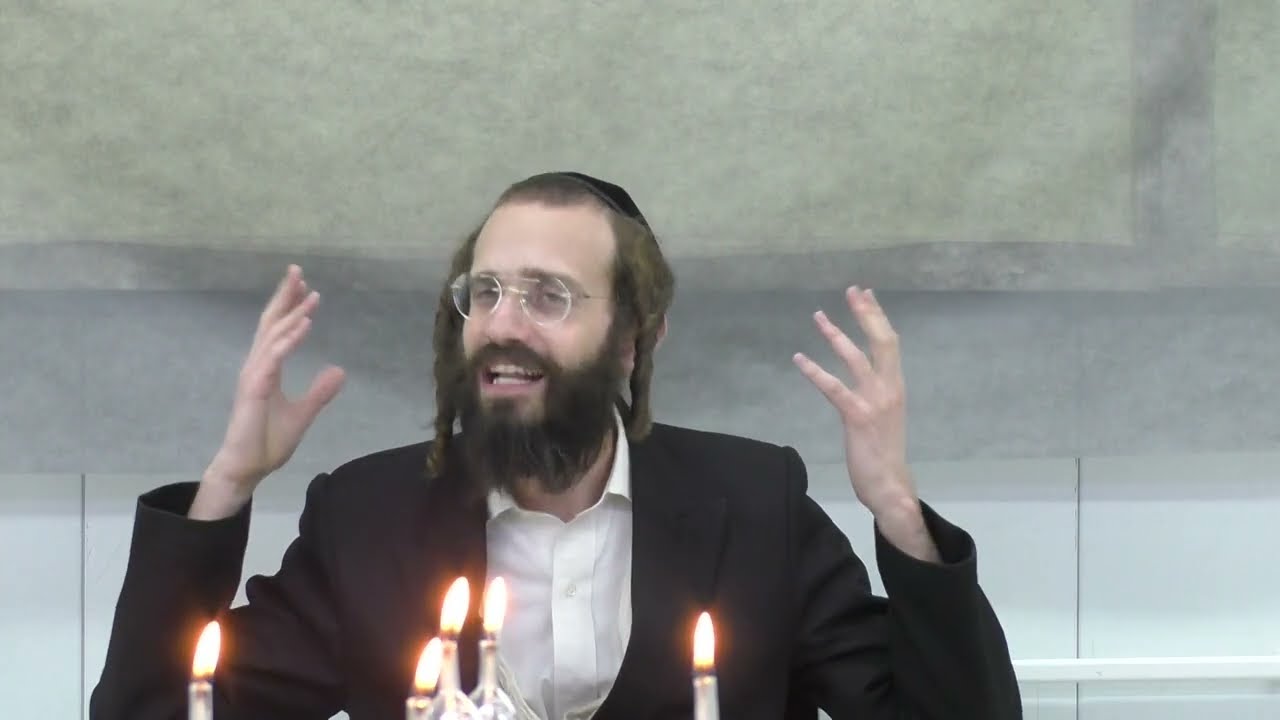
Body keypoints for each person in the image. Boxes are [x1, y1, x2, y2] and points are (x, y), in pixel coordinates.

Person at [89, 171, 1022, 720]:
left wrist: (895, 507)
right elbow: (154, 715)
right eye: (485, 292)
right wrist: (226, 484)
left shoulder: (754, 502)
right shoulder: (368, 518)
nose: (503, 324)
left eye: (548, 296)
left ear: (633, 338)